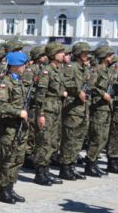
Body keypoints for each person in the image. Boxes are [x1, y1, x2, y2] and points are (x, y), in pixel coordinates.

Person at [0, 52, 31, 203]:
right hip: (9, 127)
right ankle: (3, 190)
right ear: (15, 66)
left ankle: (10, 187)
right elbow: (1, 106)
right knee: (7, 159)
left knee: (18, 158)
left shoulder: (19, 81)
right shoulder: (5, 83)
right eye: (22, 64)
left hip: (20, 127)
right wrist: (19, 112)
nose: (24, 67)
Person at [32, 42, 67, 186]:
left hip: (56, 110)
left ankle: (46, 171)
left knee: (52, 142)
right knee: (44, 141)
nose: (63, 55)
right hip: (47, 111)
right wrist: (40, 114)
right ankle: (40, 173)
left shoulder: (58, 70)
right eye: (60, 52)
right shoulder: (46, 71)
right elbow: (40, 95)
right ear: (53, 54)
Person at [59, 42, 92, 180]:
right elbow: (65, 82)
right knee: (70, 139)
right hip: (72, 109)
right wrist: (78, 92)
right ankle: (65, 168)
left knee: (78, 140)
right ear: (78, 53)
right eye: (84, 53)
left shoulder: (85, 68)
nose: (87, 55)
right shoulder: (71, 67)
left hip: (82, 109)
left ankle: (72, 166)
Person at [83, 45, 115, 177]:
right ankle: (90, 164)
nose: (111, 57)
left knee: (104, 137)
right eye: (109, 55)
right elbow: (90, 86)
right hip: (98, 107)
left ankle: (94, 161)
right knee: (97, 136)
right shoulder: (97, 70)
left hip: (106, 107)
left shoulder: (108, 70)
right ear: (104, 56)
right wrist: (102, 94)